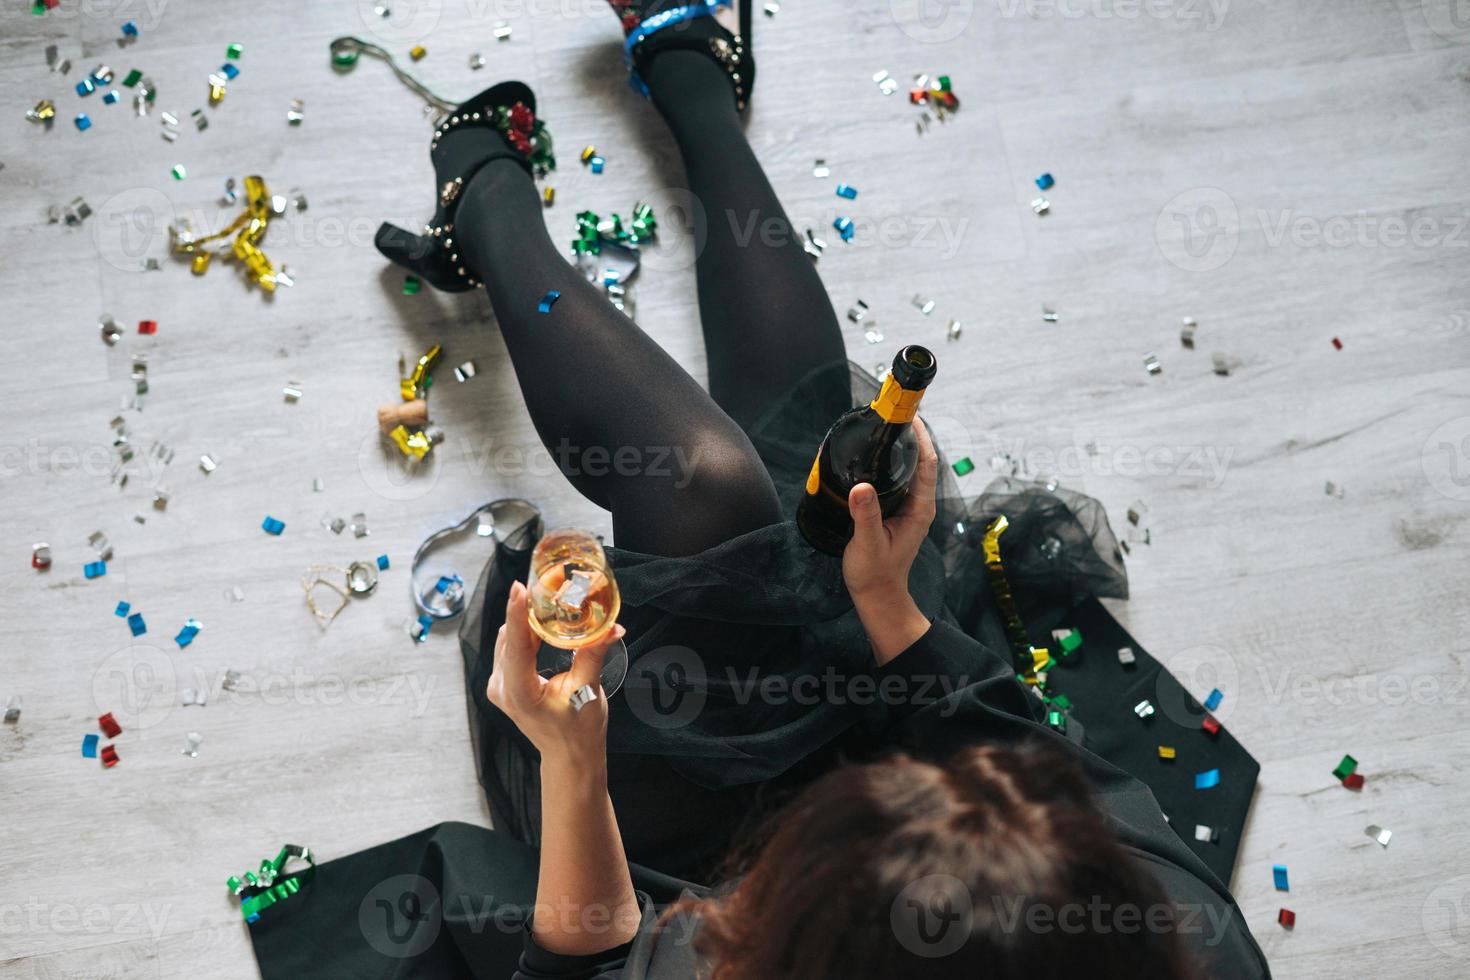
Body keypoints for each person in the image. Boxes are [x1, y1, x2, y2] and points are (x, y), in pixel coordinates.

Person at [243, 1, 1269, 976]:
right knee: (818, 503)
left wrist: (572, 754)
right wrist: (890, 607)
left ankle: (502, 204)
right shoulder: (1189, 939)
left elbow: (593, 957)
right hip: (897, 793)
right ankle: (675, 76)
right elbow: (1002, 738)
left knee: (709, 489)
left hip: (693, 854)